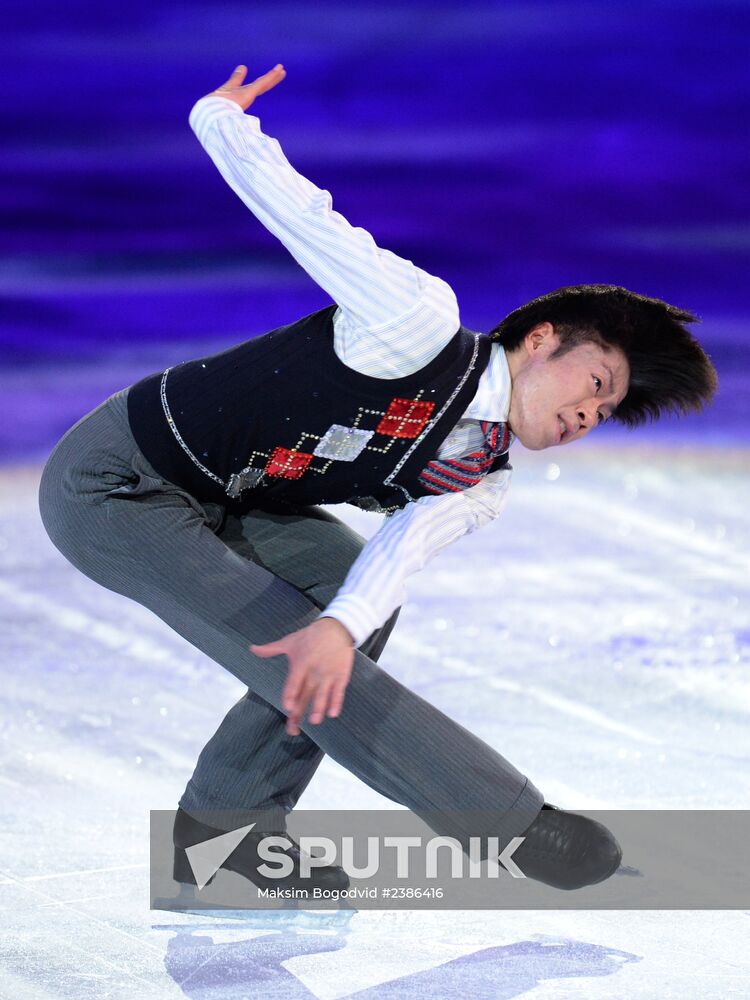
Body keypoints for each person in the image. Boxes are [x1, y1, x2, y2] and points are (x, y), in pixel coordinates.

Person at [38, 63, 717, 895]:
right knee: (311, 648)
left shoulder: (481, 475)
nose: (588, 416)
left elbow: (395, 553)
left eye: (606, 415)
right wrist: (219, 119)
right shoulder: (416, 324)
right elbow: (305, 220)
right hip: (118, 484)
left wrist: (342, 623)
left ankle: (224, 831)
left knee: (346, 612)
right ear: (542, 340)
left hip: (229, 499)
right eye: (598, 384)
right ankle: (504, 822)